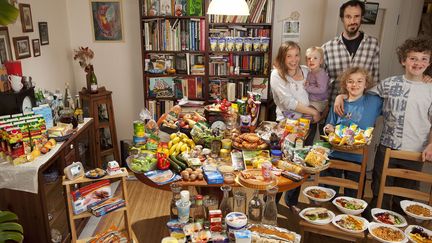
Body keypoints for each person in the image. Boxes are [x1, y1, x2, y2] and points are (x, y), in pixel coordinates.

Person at [334, 38, 432, 214]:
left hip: (415, 152)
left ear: (429, 62)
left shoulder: (430, 88)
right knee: (380, 191)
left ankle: (397, 232)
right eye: (413, 58)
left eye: (423, 58)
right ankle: (376, 224)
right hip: (387, 148)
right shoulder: (389, 83)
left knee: (405, 198)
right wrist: (340, 96)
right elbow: (360, 93)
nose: (418, 63)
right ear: (403, 60)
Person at [270, 41, 320, 213]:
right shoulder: (276, 74)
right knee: (281, 164)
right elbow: (287, 102)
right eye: (289, 56)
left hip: (307, 126)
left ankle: (291, 201)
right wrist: (312, 111)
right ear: (282, 57)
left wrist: (318, 110)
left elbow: (320, 92)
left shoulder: (307, 71)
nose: (293, 60)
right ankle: (271, 203)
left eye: (296, 55)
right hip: (286, 126)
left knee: (300, 164)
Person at [321, 67, 382, 197]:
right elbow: (328, 125)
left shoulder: (373, 101)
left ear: (366, 84)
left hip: (358, 158)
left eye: (360, 81)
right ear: (345, 84)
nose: (355, 85)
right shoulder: (338, 104)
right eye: (350, 81)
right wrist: (328, 129)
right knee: (328, 193)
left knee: (353, 196)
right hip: (335, 155)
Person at [322, 0, 380, 106]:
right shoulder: (327, 48)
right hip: (334, 108)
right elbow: (322, 83)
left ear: (361, 18)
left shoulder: (373, 44)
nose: (352, 21)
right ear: (342, 19)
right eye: (348, 16)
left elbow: (375, 80)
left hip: (361, 108)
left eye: (356, 16)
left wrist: (372, 108)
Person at [304, 46, 330, 113]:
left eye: (315, 58)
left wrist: (307, 87)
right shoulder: (310, 72)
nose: (311, 60)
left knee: (307, 114)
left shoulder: (321, 73)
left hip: (319, 101)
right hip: (312, 100)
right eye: (309, 58)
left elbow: (322, 89)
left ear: (320, 61)